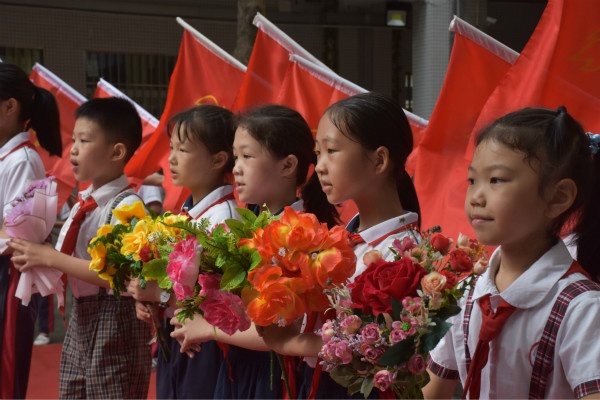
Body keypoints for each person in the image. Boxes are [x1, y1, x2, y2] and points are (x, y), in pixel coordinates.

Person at [423, 107, 600, 399]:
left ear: (558, 197)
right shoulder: (468, 294)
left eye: (496, 180)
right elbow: (430, 392)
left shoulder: (581, 309)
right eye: (472, 180)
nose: (476, 197)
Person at [169, 104, 339, 399]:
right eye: (236, 157)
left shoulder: (302, 237)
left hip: (273, 376)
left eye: (247, 156)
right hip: (238, 368)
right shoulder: (248, 228)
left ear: (287, 166)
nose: (236, 168)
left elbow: (284, 331)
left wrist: (208, 328)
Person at [9, 97, 153, 398]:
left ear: (117, 152)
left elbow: (119, 276)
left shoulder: (128, 207)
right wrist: (37, 254)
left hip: (116, 317)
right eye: (73, 139)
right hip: (81, 315)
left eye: (84, 140)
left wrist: (50, 257)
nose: (73, 149)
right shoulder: (83, 205)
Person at [128, 105, 239, 399]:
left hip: (206, 346)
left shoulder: (224, 219)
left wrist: (160, 295)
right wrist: (151, 300)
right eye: (172, 148)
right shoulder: (186, 213)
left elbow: (220, 300)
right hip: (177, 335)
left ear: (218, 159)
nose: (172, 159)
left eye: (183, 150)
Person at [0, 63, 62, 399]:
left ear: (10, 106)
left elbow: (18, 235)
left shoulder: (23, 160)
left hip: (8, 277)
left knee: (5, 380)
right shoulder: (7, 157)